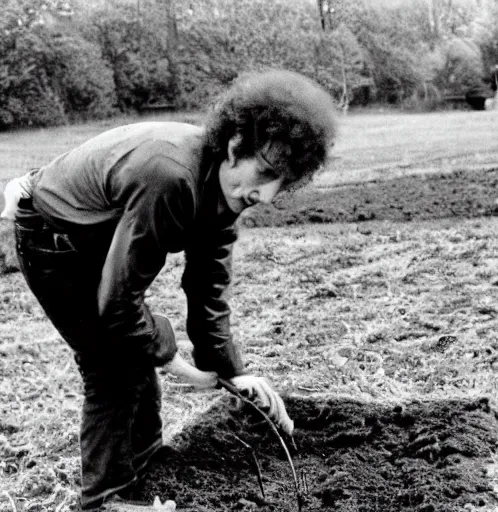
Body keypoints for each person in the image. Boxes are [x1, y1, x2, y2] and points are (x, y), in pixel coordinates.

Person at [2, 69, 337, 510]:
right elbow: (118, 303)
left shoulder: (224, 191)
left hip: (93, 237)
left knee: (133, 350)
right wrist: (180, 365)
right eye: (267, 172)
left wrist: (232, 371)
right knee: (112, 366)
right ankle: (106, 499)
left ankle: (150, 466)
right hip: (53, 237)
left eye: (282, 182)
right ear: (235, 147)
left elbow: (208, 291)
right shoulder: (171, 176)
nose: (267, 195)